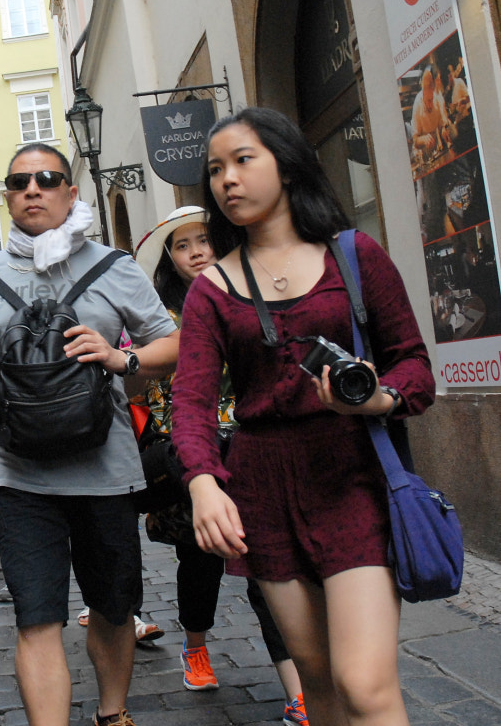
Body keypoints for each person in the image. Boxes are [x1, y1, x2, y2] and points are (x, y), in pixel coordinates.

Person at [172, 106, 435, 726]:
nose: (227, 180)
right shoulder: (211, 288)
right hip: (263, 485)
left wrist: (379, 398)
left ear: (286, 166)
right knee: (317, 683)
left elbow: (414, 364)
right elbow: (192, 401)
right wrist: (204, 482)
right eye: (215, 170)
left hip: (352, 473)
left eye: (243, 160)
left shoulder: (353, 255)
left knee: (365, 684)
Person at [0, 142, 180, 726]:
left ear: (70, 193)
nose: (33, 189)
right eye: (20, 181)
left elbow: (174, 345)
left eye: (48, 179)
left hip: (106, 470)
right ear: (6, 196)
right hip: (19, 474)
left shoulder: (114, 267)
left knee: (113, 604)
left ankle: (112, 712)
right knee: (36, 616)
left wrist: (120, 358)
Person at [133, 206, 308, 724]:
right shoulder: (157, 313)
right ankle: (196, 646)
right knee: (201, 557)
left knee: (266, 565)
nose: (197, 252)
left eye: (204, 240)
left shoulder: (250, 295)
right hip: (192, 451)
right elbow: (142, 378)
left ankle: (297, 689)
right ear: (170, 257)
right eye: (183, 245)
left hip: (253, 449)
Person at [411, 67, 454, 158]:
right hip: (424, 152)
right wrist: (423, 139)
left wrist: (443, 130)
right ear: (423, 95)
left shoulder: (437, 97)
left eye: (431, 100)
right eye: (428, 101)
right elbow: (415, 141)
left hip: (437, 148)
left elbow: (441, 125)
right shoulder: (417, 105)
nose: (430, 104)